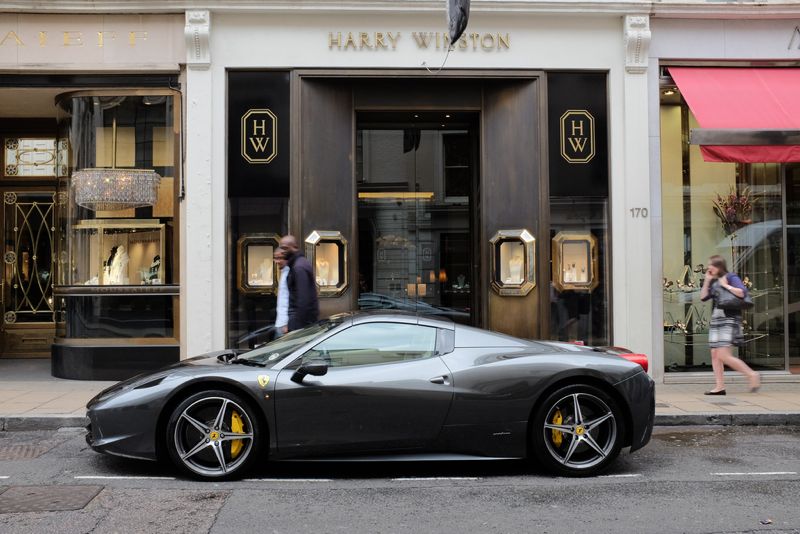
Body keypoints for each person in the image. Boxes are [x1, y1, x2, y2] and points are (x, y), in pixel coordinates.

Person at [700, 254, 760, 395]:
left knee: (723, 354)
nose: (709, 268)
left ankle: (752, 375)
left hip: (729, 319)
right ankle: (720, 387)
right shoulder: (713, 280)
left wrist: (725, 285)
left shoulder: (731, 277)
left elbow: (741, 293)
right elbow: (703, 297)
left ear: (719, 267)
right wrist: (707, 281)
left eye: (711, 265)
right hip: (716, 320)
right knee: (715, 354)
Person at [279, 235, 319, 331]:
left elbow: (303, 299)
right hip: (301, 322)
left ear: (294, 247)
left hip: (300, 324)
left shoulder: (298, 267)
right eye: (281, 248)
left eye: (285, 248)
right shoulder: (298, 264)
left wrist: (296, 327)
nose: (282, 251)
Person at [273, 248, 289, 337]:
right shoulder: (283, 273)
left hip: (285, 325)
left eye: (280, 258)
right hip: (280, 323)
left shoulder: (290, 273)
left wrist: (287, 324)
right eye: (275, 258)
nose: (277, 261)